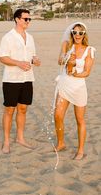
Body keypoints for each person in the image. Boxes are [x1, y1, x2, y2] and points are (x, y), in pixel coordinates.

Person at [0, 9, 41, 154]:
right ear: (17, 19)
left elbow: (33, 56)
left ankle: (20, 138)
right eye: (25, 19)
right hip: (11, 79)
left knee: (23, 109)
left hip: (28, 78)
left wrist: (35, 60)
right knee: (9, 110)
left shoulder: (30, 37)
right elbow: (2, 58)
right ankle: (6, 141)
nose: (28, 22)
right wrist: (18, 63)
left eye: (29, 19)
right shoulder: (8, 37)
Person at [54, 22, 95, 160]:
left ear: (84, 34)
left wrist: (75, 71)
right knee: (58, 115)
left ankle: (80, 150)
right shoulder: (66, 45)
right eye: (75, 32)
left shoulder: (89, 50)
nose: (77, 35)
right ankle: (61, 143)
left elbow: (87, 72)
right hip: (65, 84)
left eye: (80, 32)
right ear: (72, 32)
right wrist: (67, 59)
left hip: (78, 87)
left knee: (80, 119)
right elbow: (60, 61)